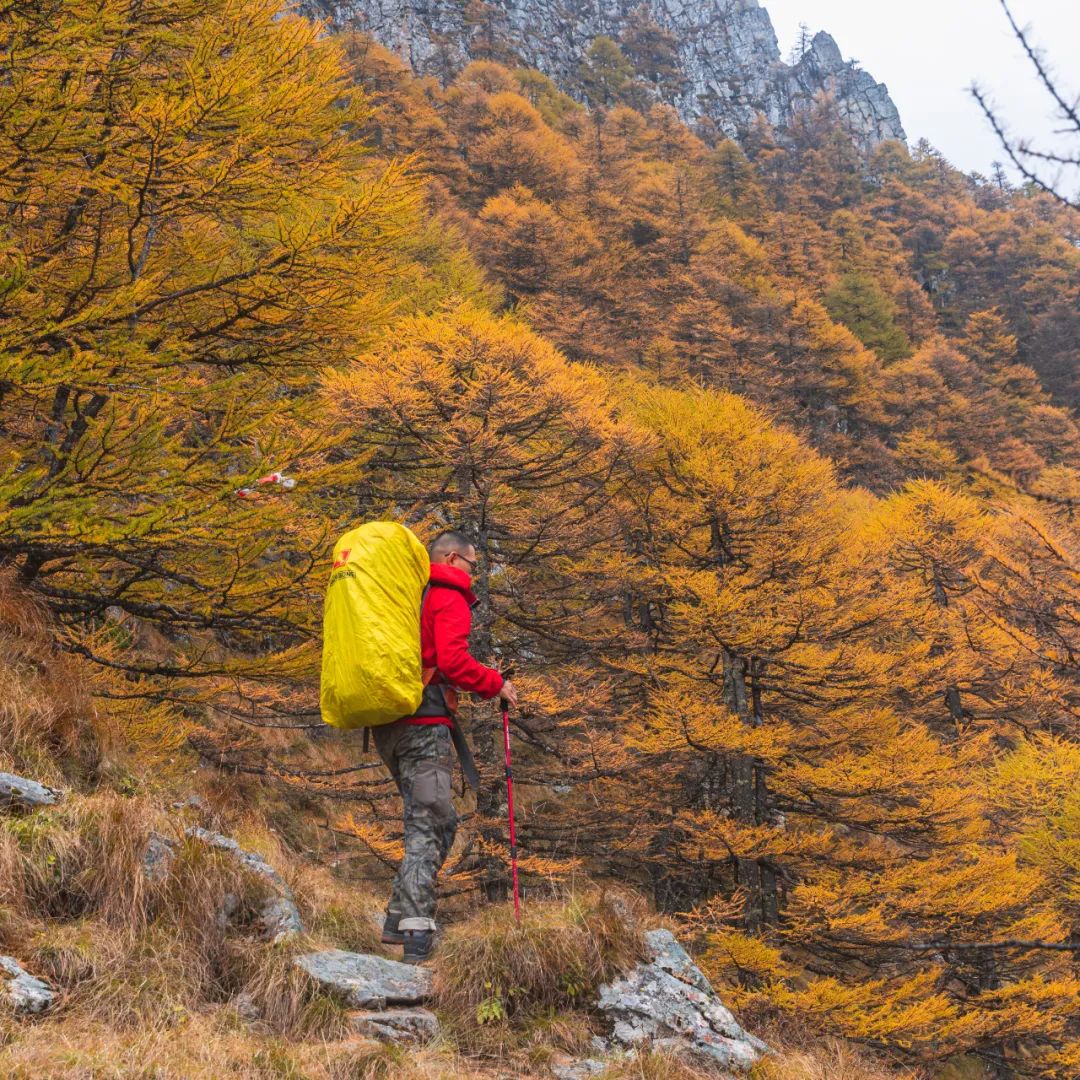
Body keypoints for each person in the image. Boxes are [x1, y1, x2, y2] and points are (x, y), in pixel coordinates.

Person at [374, 529, 518, 963]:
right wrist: (497, 685)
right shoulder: (446, 596)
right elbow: (452, 661)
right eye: (474, 566)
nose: (474, 575)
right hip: (424, 727)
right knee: (431, 824)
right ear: (453, 559)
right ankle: (417, 936)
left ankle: (398, 920)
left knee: (434, 819)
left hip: (389, 726)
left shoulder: (407, 595)